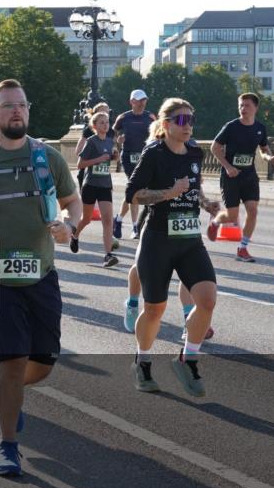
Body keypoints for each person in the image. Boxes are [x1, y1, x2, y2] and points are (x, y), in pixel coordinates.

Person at [0, 78, 81, 477]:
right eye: (8, 105)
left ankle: (2, 386)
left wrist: (70, 226)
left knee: (42, 363)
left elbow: (71, 201)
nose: (16, 111)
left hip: (41, 273)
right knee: (14, 360)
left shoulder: (48, 158)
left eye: (22, 105)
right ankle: (7, 445)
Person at [125, 98, 221, 398]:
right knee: (155, 309)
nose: (188, 125)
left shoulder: (194, 152)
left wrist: (206, 205)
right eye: (181, 120)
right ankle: (142, 361)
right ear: (166, 124)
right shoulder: (154, 153)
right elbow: (135, 195)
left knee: (207, 300)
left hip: (190, 240)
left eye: (191, 120)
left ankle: (187, 358)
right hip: (158, 239)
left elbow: (194, 186)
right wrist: (169, 193)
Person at [207, 93, 274, 263]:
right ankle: (216, 221)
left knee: (253, 211)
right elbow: (214, 148)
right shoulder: (231, 127)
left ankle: (243, 248)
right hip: (230, 177)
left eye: (247, 105)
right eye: (240, 105)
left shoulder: (260, 128)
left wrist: (270, 158)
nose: (243, 109)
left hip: (249, 175)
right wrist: (228, 167)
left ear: (256, 108)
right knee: (232, 216)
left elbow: (263, 149)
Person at [72, 110, 119, 267]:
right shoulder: (91, 141)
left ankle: (108, 255)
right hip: (91, 184)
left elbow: (109, 159)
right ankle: (75, 235)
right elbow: (80, 165)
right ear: (94, 126)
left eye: (107, 122)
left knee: (107, 220)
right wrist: (99, 159)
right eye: (102, 123)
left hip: (105, 185)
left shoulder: (110, 141)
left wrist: (115, 157)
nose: (105, 125)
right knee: (86, 219)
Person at [113, 89, 156, 240]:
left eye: (144, 100)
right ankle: (135, 227)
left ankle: (118, 219)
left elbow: (158, 134)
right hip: (128, 156)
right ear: (132, 101)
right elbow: (113, 133)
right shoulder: (123, 117)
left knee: (133, 190)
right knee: (136, 189)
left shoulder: (150, 117)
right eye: (139, 100)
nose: (143, 103)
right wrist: (118, 140)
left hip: (145, 156)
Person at [74, 102, 110, 190]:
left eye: (107, 112)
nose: (105, 114)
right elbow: (78, 151)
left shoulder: (110, 131)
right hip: (87, 174)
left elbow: (108, 153)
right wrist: (95, 157)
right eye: (102, 112)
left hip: (103, 177)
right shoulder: (88, 131)